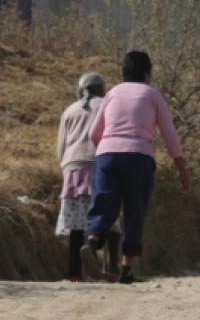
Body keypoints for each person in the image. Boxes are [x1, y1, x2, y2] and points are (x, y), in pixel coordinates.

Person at [82, 51, 190, 284]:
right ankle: (127, 270)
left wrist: (107, 152)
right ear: (146, 73)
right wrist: (181, 169)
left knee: (104, 203)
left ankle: (93, 238)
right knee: (134, 211)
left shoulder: (111, 94)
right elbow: (170, 136)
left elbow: (93, 134)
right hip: (138, 158)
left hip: (107, 155)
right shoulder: (152, 94)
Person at [55, 72, 121, 282]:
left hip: (73, 169)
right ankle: (112, 270)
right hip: (101, 166)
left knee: (76, 225)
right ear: (101, 89)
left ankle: (74, 273)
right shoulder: (108, 105)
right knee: (111, 220)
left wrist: (67, 167)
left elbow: (61, 149)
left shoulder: (69, 111)